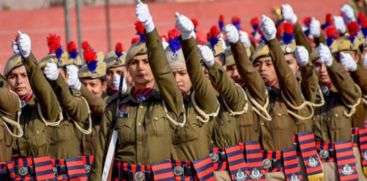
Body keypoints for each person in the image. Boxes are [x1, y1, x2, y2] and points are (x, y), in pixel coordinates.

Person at [89, 0, 184, 179]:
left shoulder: (167, 99)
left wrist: (150, 29)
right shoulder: (115, 104)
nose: (140, 67)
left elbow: (164, 73)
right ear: (128, 69)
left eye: (146, 61)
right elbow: (102, 153)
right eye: (134, 62)